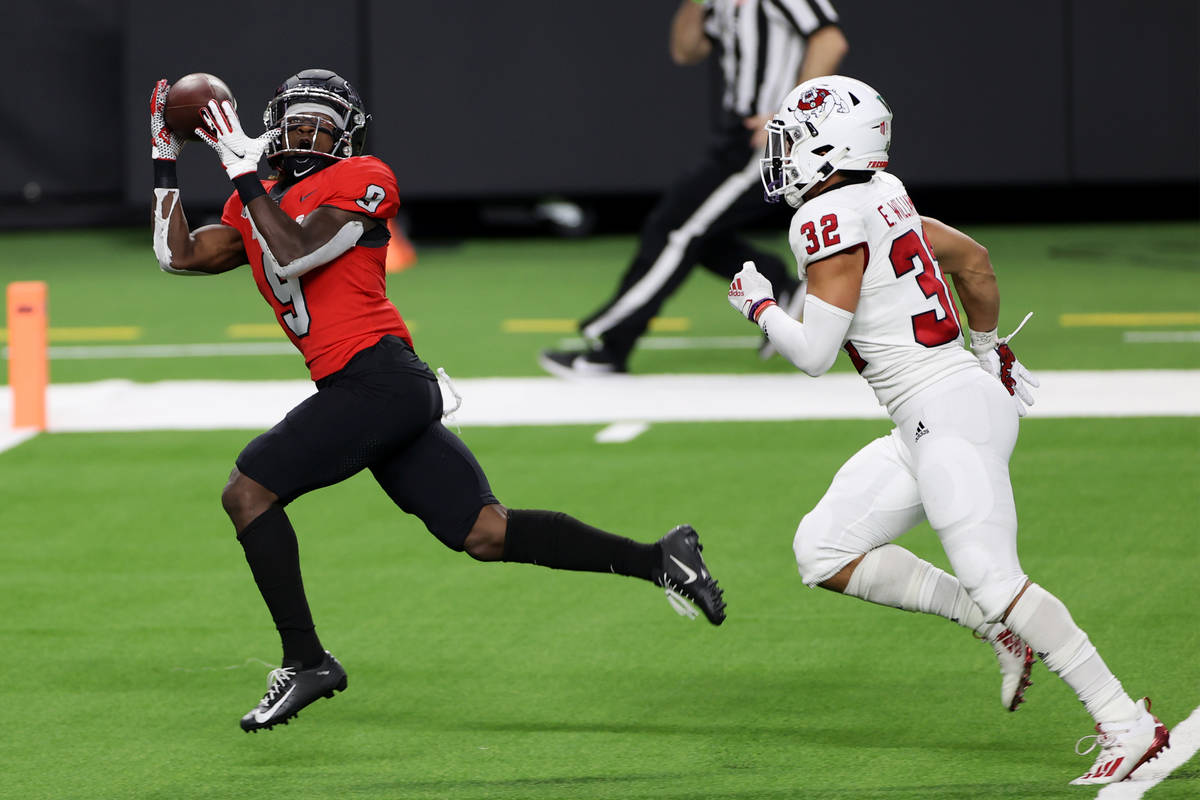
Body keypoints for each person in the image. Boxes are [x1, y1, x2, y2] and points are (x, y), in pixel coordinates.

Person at [147, 68, 726, 733]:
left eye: (323, 129)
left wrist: (242, 173)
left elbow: (295, 254)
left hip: (379, 380)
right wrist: (166, 155)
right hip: (366, 390)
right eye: (298, 125)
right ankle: (659, 558)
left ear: (347, 140)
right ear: (274, 127)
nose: (307, 138)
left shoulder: (363, 177)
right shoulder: (257, 198)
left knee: (248, 492)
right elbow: (177, 255)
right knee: (486, 532)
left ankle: (306, 660)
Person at [725, 75, 1171, 786]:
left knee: (995, 577)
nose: (785, 154)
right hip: (938, 411)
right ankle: (995, 627)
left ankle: (1123, 720)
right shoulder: (884, 192)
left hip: (946, 414)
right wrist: (990, 349)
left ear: (833, 146)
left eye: (797, 139)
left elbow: (812, 353)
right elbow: (975, 262)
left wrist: (758, 305)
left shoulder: (827, 215)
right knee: (823, 549)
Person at [539, 0, 848, 376]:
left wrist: (790, 117)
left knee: (677, 231)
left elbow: (830, 41)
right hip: (738, 136)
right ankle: (780, 285)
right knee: (692, 230)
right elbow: (686, 50)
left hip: (771, 139)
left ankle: (609, 345)